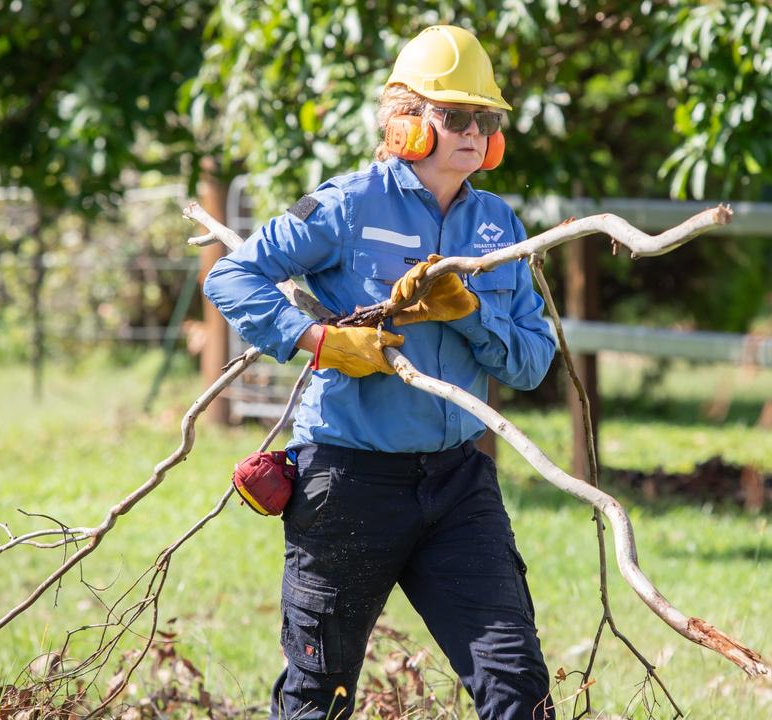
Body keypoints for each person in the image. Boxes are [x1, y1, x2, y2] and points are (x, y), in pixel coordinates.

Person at [204, 24, 557, 720]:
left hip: (457, 483)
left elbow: (531, 360)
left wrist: (468, 315)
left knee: (517, 685)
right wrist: (321, 341)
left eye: (483, 120)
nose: (471, 132)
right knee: (319, 697)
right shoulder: (348, 203)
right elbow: (233, 276)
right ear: (405, 122)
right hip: (348, 481)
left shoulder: (499, 225)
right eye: (454, 115)